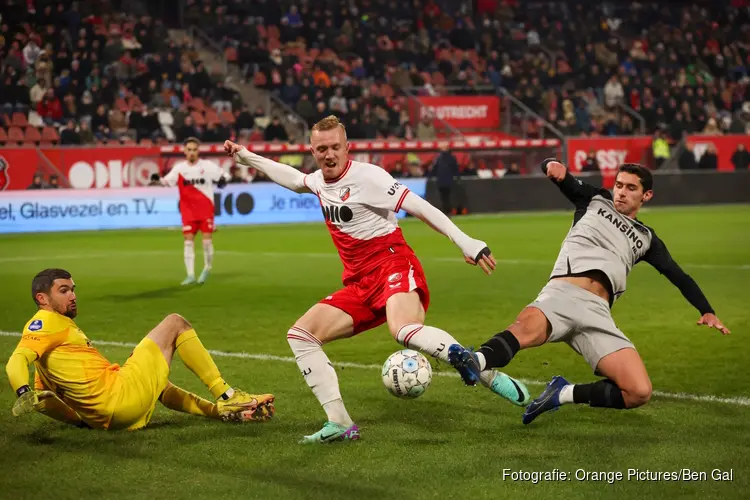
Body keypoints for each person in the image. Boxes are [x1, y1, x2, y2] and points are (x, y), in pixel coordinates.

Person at [223, 115, 530, 444]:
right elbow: (296, 180)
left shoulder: (369, 177)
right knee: (301, 335)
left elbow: (420, 206)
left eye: (335, 147)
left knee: (402, 329)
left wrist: (466, 242)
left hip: (393, 264)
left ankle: (479, 368)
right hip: (359, 284)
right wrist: (245, 156)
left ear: (347, 148)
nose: (329, 155)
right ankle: (340, 423)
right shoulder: (319, 181)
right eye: (321, 149)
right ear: (313, 151)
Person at [449, 160, 730, 424]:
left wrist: (707, 310)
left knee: (638, 391)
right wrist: (552, 166)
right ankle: (475, 361)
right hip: (562, 294)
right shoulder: (595, 200)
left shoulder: (647, 239)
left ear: (646, 196)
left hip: (598, 314)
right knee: (525, 329)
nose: (621, 192)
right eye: (619, 185)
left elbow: (679, 276)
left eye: (631, 188)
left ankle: (562, 393)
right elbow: (561, 176)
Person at [5, 269, 275, 430]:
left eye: (73, 289)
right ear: (42, 298)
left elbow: (46, 401)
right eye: (64, 291)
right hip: (119, 398)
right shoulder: (45, 323)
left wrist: (82, 422)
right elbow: (16, 360)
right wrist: (21, 390)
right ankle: (226, 394)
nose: (73, 296)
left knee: (158, 382)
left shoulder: (56, 335)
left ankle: (221, 412)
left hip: (108, 417)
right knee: (175, 323)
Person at [161, 137, 228, 285]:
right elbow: (166, 181)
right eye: (189, 150)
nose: (192, 152)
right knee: (188, 242)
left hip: (205, 210)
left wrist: (223, 180)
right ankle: (190, 275)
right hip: (188, 211)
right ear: (184, 151)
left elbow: (224, 176)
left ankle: (206, 268)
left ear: (198, 151)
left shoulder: (208, 166)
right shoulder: (179, 168)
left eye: (194, 150)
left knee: (206, 241)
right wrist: (156, 180)